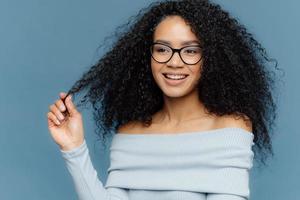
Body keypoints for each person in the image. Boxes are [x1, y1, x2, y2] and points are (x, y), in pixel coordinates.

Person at [47, 0, 278, 199]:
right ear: (147, 57)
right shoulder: (130, 133)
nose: (174, 62)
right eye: (162, 49)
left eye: (190, 51)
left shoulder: (229, 128)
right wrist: (74, 148)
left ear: (210, 59)